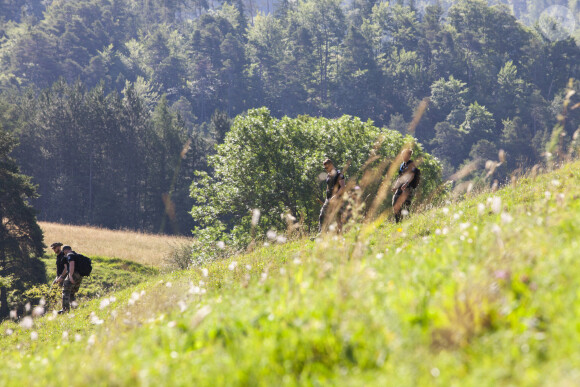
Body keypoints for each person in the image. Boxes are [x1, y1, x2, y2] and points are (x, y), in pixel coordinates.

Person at [392, 149, 420, 223]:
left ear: (409, 156)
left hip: (408, 188)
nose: (403, 157)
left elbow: (412, 175)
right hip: (400, 187)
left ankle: (407, 222)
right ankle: (398, 222)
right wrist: (395, 186)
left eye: (404, 155)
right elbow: (400, 177)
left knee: (405, 206)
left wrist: (406, 183)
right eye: (402, 155)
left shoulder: (412, 164)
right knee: (395, 203)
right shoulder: (402, 165)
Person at [318, 158, 346, 233]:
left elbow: (343, 187)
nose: (326, 169)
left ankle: (341, 235)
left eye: (327, 167)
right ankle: (321, 234)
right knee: (322, 215)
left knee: (338, 218)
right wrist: (327, 198)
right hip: (329, 199)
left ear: (331, 165)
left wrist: (335, 196)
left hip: (337, 199)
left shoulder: (339, 174)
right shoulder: (328, 174)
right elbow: (328, 187)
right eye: (325, 168)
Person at [59, 245, 84, 314]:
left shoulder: (70, 254)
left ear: (65, 250)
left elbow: (71, 264)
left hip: (73, 274)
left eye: (64, 252)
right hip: (80, 276)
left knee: (65, 290)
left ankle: (65, 309)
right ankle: (75, 308)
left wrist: (70, 276)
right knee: (71, 293)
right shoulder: (77, 255)